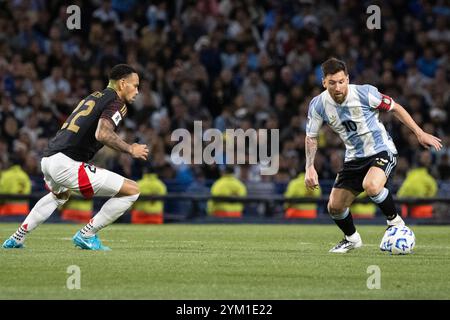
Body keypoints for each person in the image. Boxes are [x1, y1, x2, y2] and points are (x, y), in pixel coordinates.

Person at [3, 64, 149, 250]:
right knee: (132, 190)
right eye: (135, 85)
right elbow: (102, 134)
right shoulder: (117, 103)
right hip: (67, 164)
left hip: (48, 159)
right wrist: (130, 149)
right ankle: (87, 234)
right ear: (122, 83)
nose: (137, 91)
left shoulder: (94, 96)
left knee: (59, 195)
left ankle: (16, 238)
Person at [304, 58, 442, 253]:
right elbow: (311, 137)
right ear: (324, 82)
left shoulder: (364, 93)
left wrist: (419, 133)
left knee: (371, 185)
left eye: (341, 81)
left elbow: (395, 108)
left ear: (347, 79)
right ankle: (351, 239)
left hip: (381, 150)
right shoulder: (318, 105)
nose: (338, 87)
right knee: (334, 207)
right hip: (354, 158)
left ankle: (396, 223)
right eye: (332, 82)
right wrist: (310, 166)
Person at [397, 150, 438, 218]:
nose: (426, 159)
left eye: (428, 157)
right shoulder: (411, 173)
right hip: (405, 205)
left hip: (422, 207)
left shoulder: (431, 175)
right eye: (425, 157)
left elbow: (433, 192)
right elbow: (402, 192)